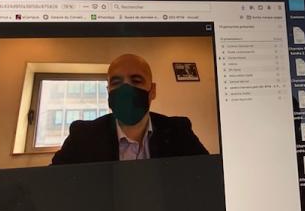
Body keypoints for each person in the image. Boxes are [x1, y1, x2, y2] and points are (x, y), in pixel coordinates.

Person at [52, 53, 209, 164]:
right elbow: (53, 184)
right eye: (116, 82)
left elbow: (208, 176)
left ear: (152, 91)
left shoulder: (178, 130)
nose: (126, 89)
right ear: (108, 91)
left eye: (136, 81)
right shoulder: (83, 136)